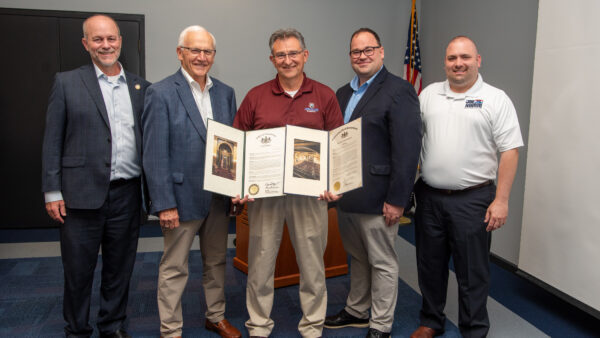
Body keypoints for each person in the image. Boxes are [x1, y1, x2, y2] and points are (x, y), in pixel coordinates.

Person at [41, 14, 150, 338]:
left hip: (127, 194)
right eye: (98, 39)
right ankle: (76, 329)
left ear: (120, 41)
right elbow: (52, 139)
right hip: (79, 196)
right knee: (78, 271)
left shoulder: (141, 86)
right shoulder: (67, 82)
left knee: (120, 268)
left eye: (112, 38)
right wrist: (52, 190)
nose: (106, 45)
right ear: (86, 44)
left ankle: (112, 325)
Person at [233, 28, 343, 338]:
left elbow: (337, 145)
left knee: (312, 265)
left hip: (309, 195)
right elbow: (237, 141)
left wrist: (335, 183)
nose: (288, 59)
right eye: (280, 54)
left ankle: (312, 326)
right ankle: (258, 325)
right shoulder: (255, 96)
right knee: (261, 263)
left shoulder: (324, 95)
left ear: (305, 55)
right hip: (264, 195)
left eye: (293, 53)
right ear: (272, 59)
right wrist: (237, 184)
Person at [410, 36, 523, 338]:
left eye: (465, 57)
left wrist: (501, 200)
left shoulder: (495, 98)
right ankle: (431, 320)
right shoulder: (429, 95)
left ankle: (473, 329)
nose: (458, 63)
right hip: (430, 197)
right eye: (451, 58)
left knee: (472, 272)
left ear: (478, 60)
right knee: (429, 265)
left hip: (473, 200)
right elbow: (411, 139)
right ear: (445, 62)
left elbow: (510, 150)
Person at [142, 26, 242, 338]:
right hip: (180, 198)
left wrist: (237, 187)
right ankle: (170, 329)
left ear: (214, 55)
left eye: (207, 51)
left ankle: (216, 316)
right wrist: (164, 204)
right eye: (194, 50)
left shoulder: (225, 92)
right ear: (180, 52)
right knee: (174, 268)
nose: (201, 57)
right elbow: (154, 153)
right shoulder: (160, 93)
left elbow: (233, 145)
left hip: (218, 197)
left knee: (216, 263)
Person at [321, 28, 422, 338]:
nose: (361, 56)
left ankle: (380, 323)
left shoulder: (399, 89)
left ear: (381, 52)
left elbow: (407, 149)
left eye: (368, 50)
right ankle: (356, 310)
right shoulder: (341, 93)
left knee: (382, 262)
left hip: (380, 198)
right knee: (359, 257)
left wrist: (397, 199)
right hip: (347, 196)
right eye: (355, 51)